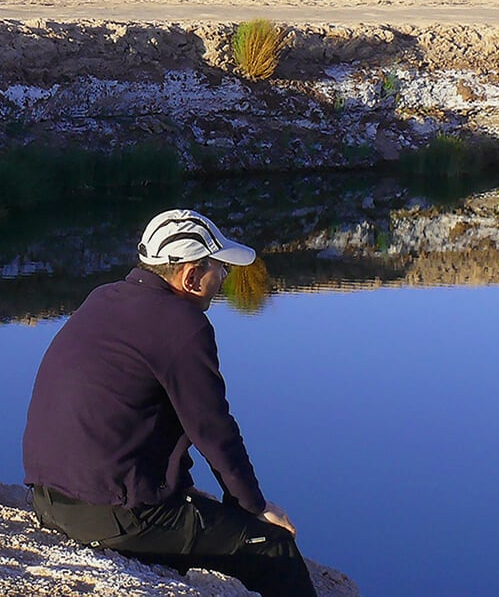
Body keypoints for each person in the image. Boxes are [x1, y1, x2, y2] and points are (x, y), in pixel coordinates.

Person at [22, 209, 315, 597]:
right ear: (191, 276)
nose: (225, 277)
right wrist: (252, 507)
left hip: (49, 501)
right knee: (274, 548)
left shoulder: (103, 297)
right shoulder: (182, 324)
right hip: (112, 516)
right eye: (219, 268)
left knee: (195, 516)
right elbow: (212, 428)